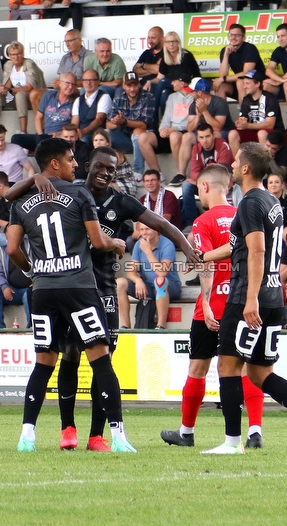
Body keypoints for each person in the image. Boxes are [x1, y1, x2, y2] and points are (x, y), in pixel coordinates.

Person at [26, 148, 197, 449]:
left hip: (103, 291)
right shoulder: (70, 193)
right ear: (88, 166)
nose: (106, 174)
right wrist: (39, 175)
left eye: (112, 170)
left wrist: (187, 247)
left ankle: (96, 435)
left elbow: (162, 224)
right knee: (69, 356)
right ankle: (68, 429)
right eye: (101, 167)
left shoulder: (121, 202)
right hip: (72, 287)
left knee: (101, 362)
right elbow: (33, 184)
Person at [7, 138, 136, 452]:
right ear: (54, 163)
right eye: (69, 159)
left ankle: (27, 436)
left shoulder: (21, 201)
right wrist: (117, 243)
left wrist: (32, 271)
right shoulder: (79, 193)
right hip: (79, 288)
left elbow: (11, 249)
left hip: (44, 291)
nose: (75, 164)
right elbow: (98, 241)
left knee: (43, 365)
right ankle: (117, 437)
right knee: (101, 362)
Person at [206, 142, 287, 455]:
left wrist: (250, 299)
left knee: (228, 366)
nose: (232, 166)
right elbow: (243, 245)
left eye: (236, 161)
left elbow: (258, 250)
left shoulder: (249, 202)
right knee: (260, 372)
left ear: (246, 168)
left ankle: (233, 442)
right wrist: (205, 255)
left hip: (248, 297)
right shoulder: (270, 201)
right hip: (274, 296)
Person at [161, 164, 266, 448]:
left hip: (213, 304)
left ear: (205, 187)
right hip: (244, 303)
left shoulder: (203, 221)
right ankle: (254, 430)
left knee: (198, 369)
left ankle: (186, 432)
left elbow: (204, 264)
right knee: (244, 370)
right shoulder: (243, 214)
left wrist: (206, 303)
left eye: (198, 191)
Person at [118, 222, 181, 329]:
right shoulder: (139, 244)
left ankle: (161, 325)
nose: (144, 233)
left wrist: (148, 251)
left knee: (160, 280)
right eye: (141, 230)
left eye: (147, 229)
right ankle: (125, 326)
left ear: (156, 229)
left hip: (170, 287)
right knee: (120, 283)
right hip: (148, 287)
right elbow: (131, 272)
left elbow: (162, 272)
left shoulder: (167, 244)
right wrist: (138, 280)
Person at [138, 72, 195, 182]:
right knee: (143, 138)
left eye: (174, 81)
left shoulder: (194, 97)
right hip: (170, 131)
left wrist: (174, 129)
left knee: (174, 136)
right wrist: (162, 130)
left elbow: (192, 123)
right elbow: (166, 119)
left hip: (185, 132)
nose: (172, 83)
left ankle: (181, 174)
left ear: (182, 83)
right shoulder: (172, 97)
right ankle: (158, 175)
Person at [181, 122, 233, 228]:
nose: (205, 140)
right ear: (198, 138)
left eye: (207, 136)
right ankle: (191, 224)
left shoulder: (223, 146)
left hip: (222, 184)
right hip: (204, 183)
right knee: (186, 186)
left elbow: (220, 173)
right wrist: (199, 181)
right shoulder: (196, 148)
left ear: (213, 135)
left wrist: (200, 180)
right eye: (201, 137)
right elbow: (194, 172)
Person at [11, 73, 77, 153]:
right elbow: (38, 117)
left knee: (41, 142)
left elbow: (73, 127)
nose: (70, 87)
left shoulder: (75, 101)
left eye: (73, 84)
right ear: (60, 83)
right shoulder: (48, 95)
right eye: (68, 83)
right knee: (16, 138)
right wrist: (40, 134)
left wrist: (59, 133)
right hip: (44, 136)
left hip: (60, 137)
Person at [108, 73, 157, 174]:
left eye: (135, 85)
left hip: (145, 138)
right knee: (103, 134)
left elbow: (144, 125)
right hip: (124, 137)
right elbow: (108, 124)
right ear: (124, 86)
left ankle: (138, 172)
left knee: (138, 132)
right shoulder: (119, 99)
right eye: (129, 85)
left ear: (139, 84)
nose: (132, 89)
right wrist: (116, 122)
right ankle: (106, 171)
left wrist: (124, 122)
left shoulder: (148, 97)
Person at [0, 42, 45, 131]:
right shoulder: (8, 65)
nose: (16, 57)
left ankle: (23, 130)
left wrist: (11, 90)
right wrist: (3, 88)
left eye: (18, 54)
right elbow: (7, 85)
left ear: (23, 54)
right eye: (13, 54)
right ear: (9, 56)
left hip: (31, 98)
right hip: (15, 97)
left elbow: (29, 87)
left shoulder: (29, 64)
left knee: (20, 94)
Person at [236, 69, 284, 147]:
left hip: (274, 133)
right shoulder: (246, 99)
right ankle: (238, 159)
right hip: (253, 131)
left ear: (258, 84)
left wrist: (247, 126)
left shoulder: (270, 98)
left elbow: (270, 125)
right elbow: (242, 118)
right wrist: (241, 123)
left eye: (247, 83)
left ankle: (263, 159)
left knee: (261, 133)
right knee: (233, 134)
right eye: (244, 84)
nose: (244, 87)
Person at [215, 24, 259, 102]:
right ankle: (221, 114)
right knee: (220, 85)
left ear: (243, 37)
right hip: (240, 85)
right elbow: (222, 75)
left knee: (240, 82)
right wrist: (226, 55)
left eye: (237, 35)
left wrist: (223, 79)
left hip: (256, 83)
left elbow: (247, 74)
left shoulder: (250, 48)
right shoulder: (225, 50)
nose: (233, 38)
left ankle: (243, 113)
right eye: (231, 35)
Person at [72, 69, 113, 143]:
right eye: (85, 80)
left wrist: (84, 131)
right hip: (80, 133)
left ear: (98, 82)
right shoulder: (78, 100)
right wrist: (73, 133)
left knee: (83, 141)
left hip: (97, 135)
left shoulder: (104, 96)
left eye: (92, 80)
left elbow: (99, 119)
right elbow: (75, 122)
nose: (88, 83)